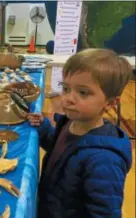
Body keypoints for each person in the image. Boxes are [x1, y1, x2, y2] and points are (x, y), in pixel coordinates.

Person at [28, 48, 133, 218]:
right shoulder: (71, 124)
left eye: (83, 92)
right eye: (66, 88)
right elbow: (58, 151)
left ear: (110, 103)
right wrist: (44, 127)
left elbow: (105, 213)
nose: (68, 98)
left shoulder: (104, 160)